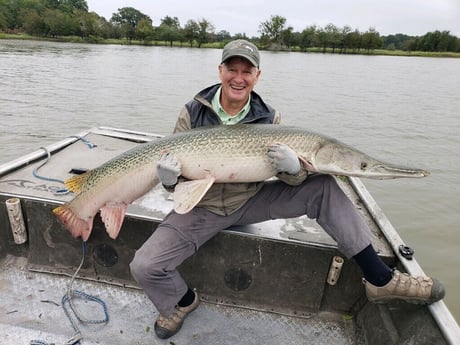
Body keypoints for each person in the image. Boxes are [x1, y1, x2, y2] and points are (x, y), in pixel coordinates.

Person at [130, 39, 445, 339]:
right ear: (220, 71)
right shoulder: (191, 111)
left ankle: (380, 278)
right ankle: (183, 301)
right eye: (232, 69)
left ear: (257, 75)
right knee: (144, 266)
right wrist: (170, 178)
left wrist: (293, 170)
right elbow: (177, 179)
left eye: (247, 71)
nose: (239, 78)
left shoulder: (271, 117)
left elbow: (291, 182)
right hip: (203, 207)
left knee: (323, 185)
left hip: (250, 199)